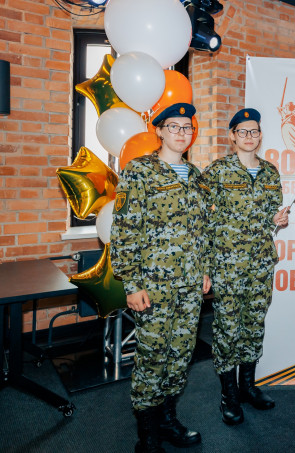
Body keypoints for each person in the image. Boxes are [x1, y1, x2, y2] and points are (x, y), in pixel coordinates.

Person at [111, 103, 212, 453]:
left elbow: (202, 229)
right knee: (152, 356)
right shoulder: (139, 170)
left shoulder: (197, 175)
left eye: (188, 127)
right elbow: (124, 230)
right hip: (153, 286)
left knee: (181, 354)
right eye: (174, 126)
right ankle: (148, 434)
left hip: (189, 286)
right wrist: (132, 284)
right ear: (159, 130)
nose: (182, 133)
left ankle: (168, 420)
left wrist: (204, 269)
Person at [203, 108, 289, 426]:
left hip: (261, 262)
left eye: (254, 131)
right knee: (228, 328)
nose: (249, 136)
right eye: (243, 131)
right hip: (228, 264)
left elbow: (270, 215)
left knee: (254, 324)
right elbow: (201, 218)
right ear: (233, 136)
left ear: (260, 135)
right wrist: (205, 265)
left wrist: (277, 219)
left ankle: (248, 387)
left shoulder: (270, 172)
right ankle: (229, 395)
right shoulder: (217, 171)